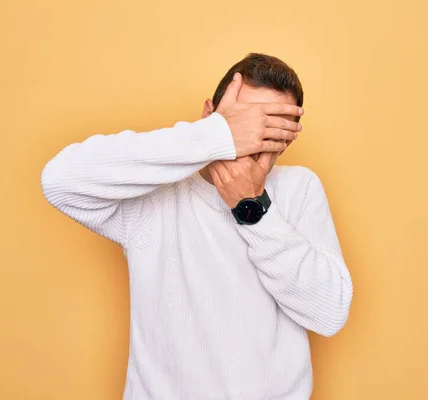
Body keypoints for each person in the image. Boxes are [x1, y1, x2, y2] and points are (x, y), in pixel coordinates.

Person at [41, 53, 353, 400]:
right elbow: (60, 179)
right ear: (208, 115)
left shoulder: (299, 188)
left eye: (270, 130)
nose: (253, 142)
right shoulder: (155, 196)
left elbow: (329, 313)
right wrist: (216, 136)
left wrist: (252, 207)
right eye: (246, 125)